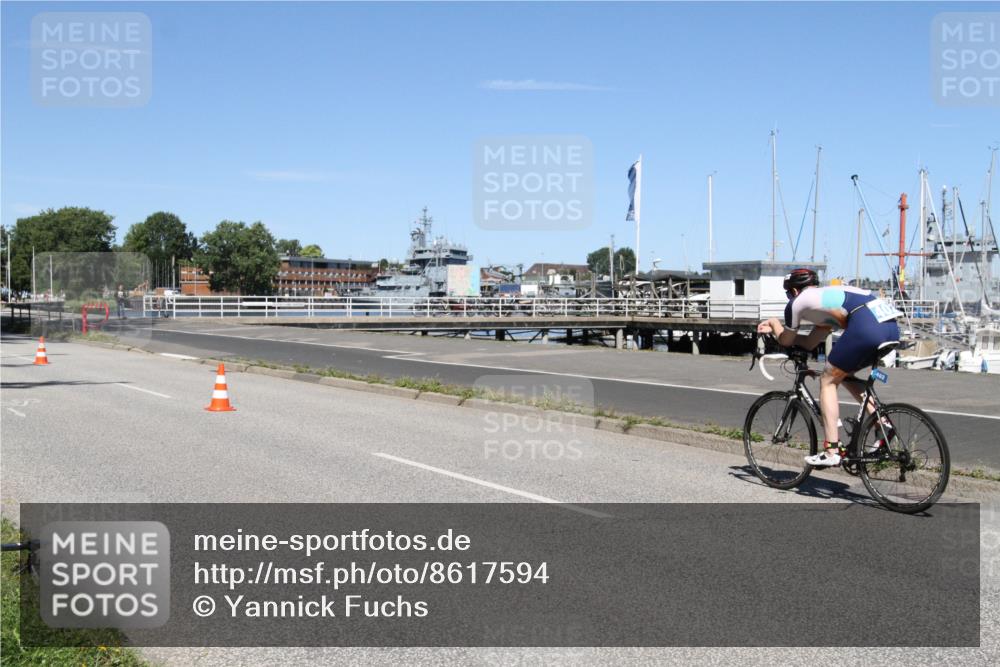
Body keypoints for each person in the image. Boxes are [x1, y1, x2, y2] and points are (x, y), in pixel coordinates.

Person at [756, 268, 901, 467]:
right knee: (843, 373)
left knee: (827, 381)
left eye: (788, 293)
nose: (789, 298)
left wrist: (773, 324)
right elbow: (809, 343)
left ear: (795, 291)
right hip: (890, 327)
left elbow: (787, 340)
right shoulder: (825, 299)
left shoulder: (797, 303)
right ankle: (882, 424)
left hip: (866, 325)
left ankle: (832, 450)